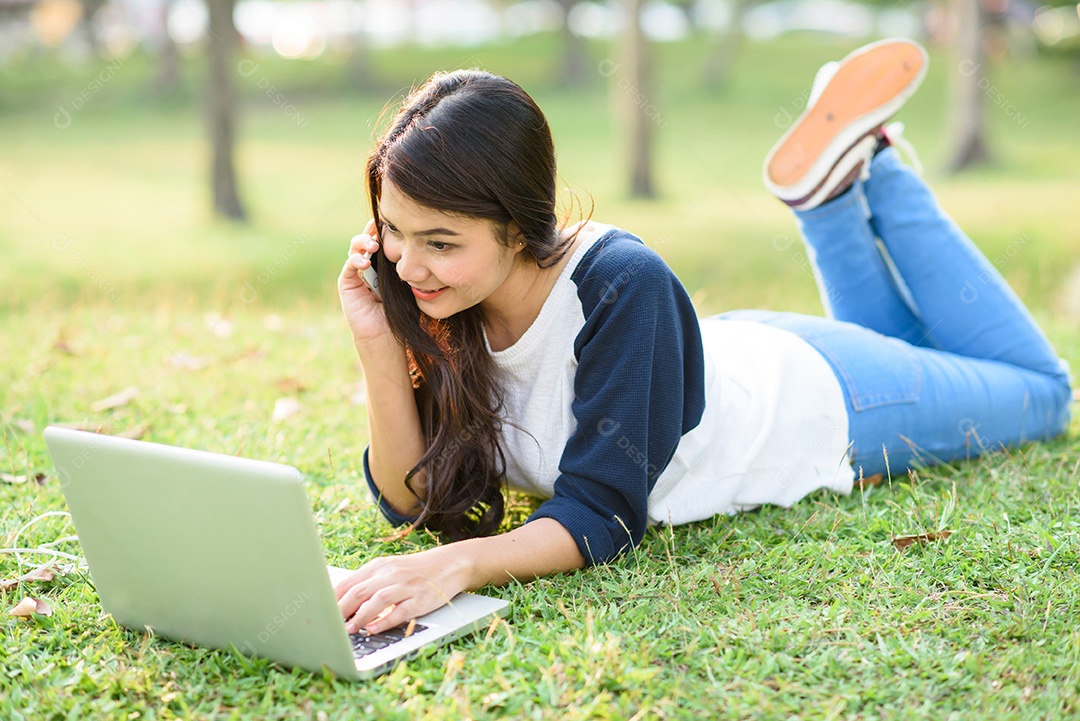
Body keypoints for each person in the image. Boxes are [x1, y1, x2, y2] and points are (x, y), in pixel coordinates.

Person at [334, 39, 1073, 636]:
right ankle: (830, 189)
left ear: (520, 226)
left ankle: (873, 166)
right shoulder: (441, 294)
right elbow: (413, 497)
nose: (407, 263)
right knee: (922, 349)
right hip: (738, 355)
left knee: (1044, 392)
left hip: (830, 399)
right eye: (393, 229)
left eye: (439, 240)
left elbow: (604, 514)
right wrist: (377, 342)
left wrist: (457, 566)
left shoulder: (622, 283)